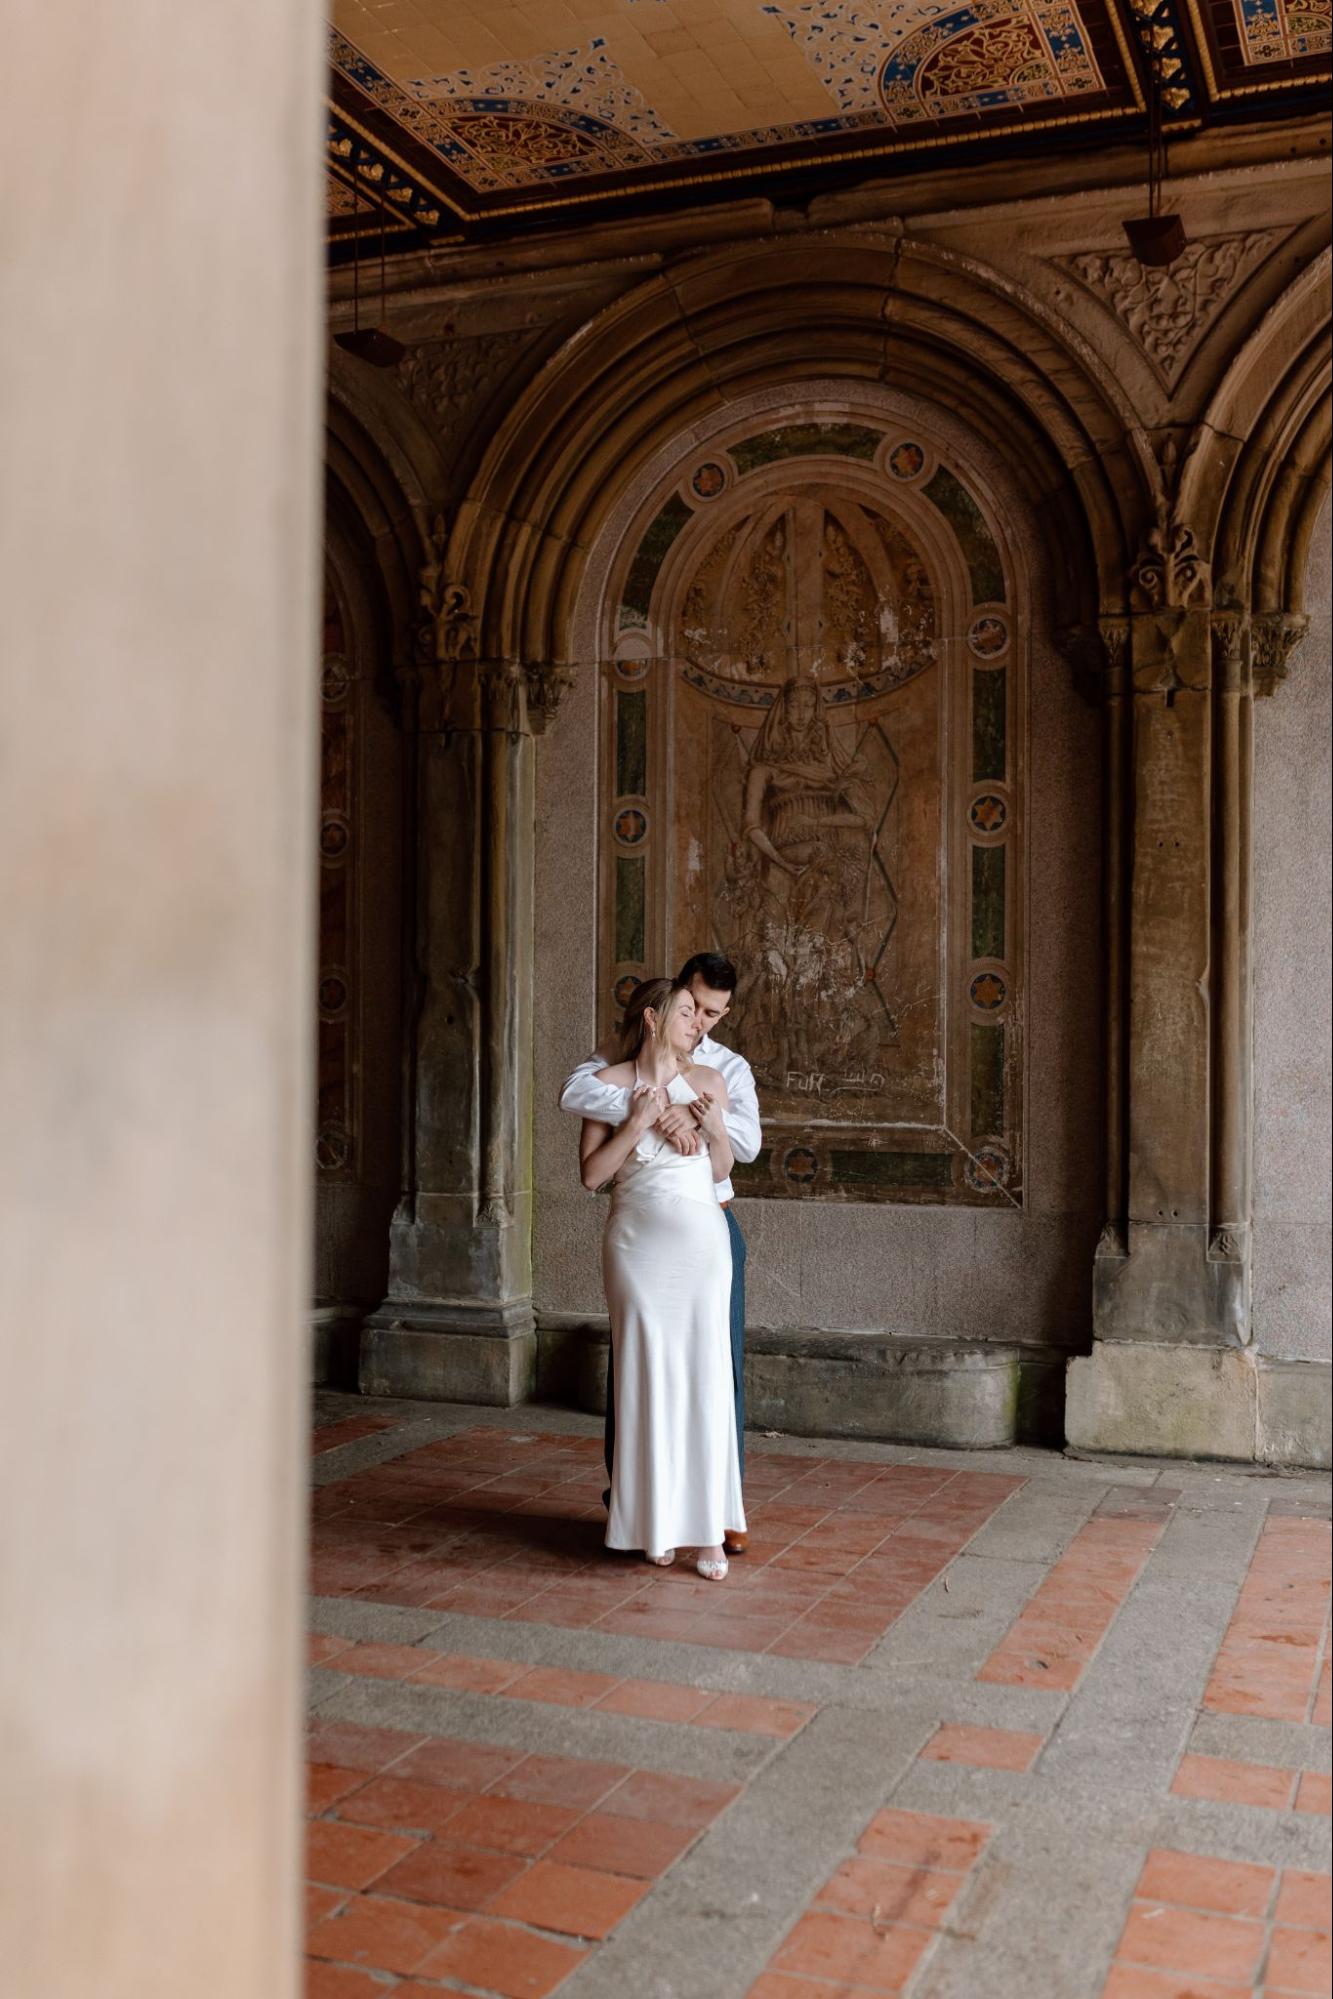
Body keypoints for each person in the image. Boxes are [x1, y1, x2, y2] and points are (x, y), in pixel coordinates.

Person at [560, 951, 760, 1555]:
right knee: (641, 1372)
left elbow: (739, 1151)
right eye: (693, 1008)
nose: (703, 1022)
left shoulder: (723, 1070)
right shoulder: (608, 1070)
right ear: (662, 1009)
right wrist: (644, 1114)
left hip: (709, 1229)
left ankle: (717, 1513)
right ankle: (639, 1504)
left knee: (713, 1371)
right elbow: (578, 1100)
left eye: (713, 1014)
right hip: (639, 1242)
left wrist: (698, 1122)